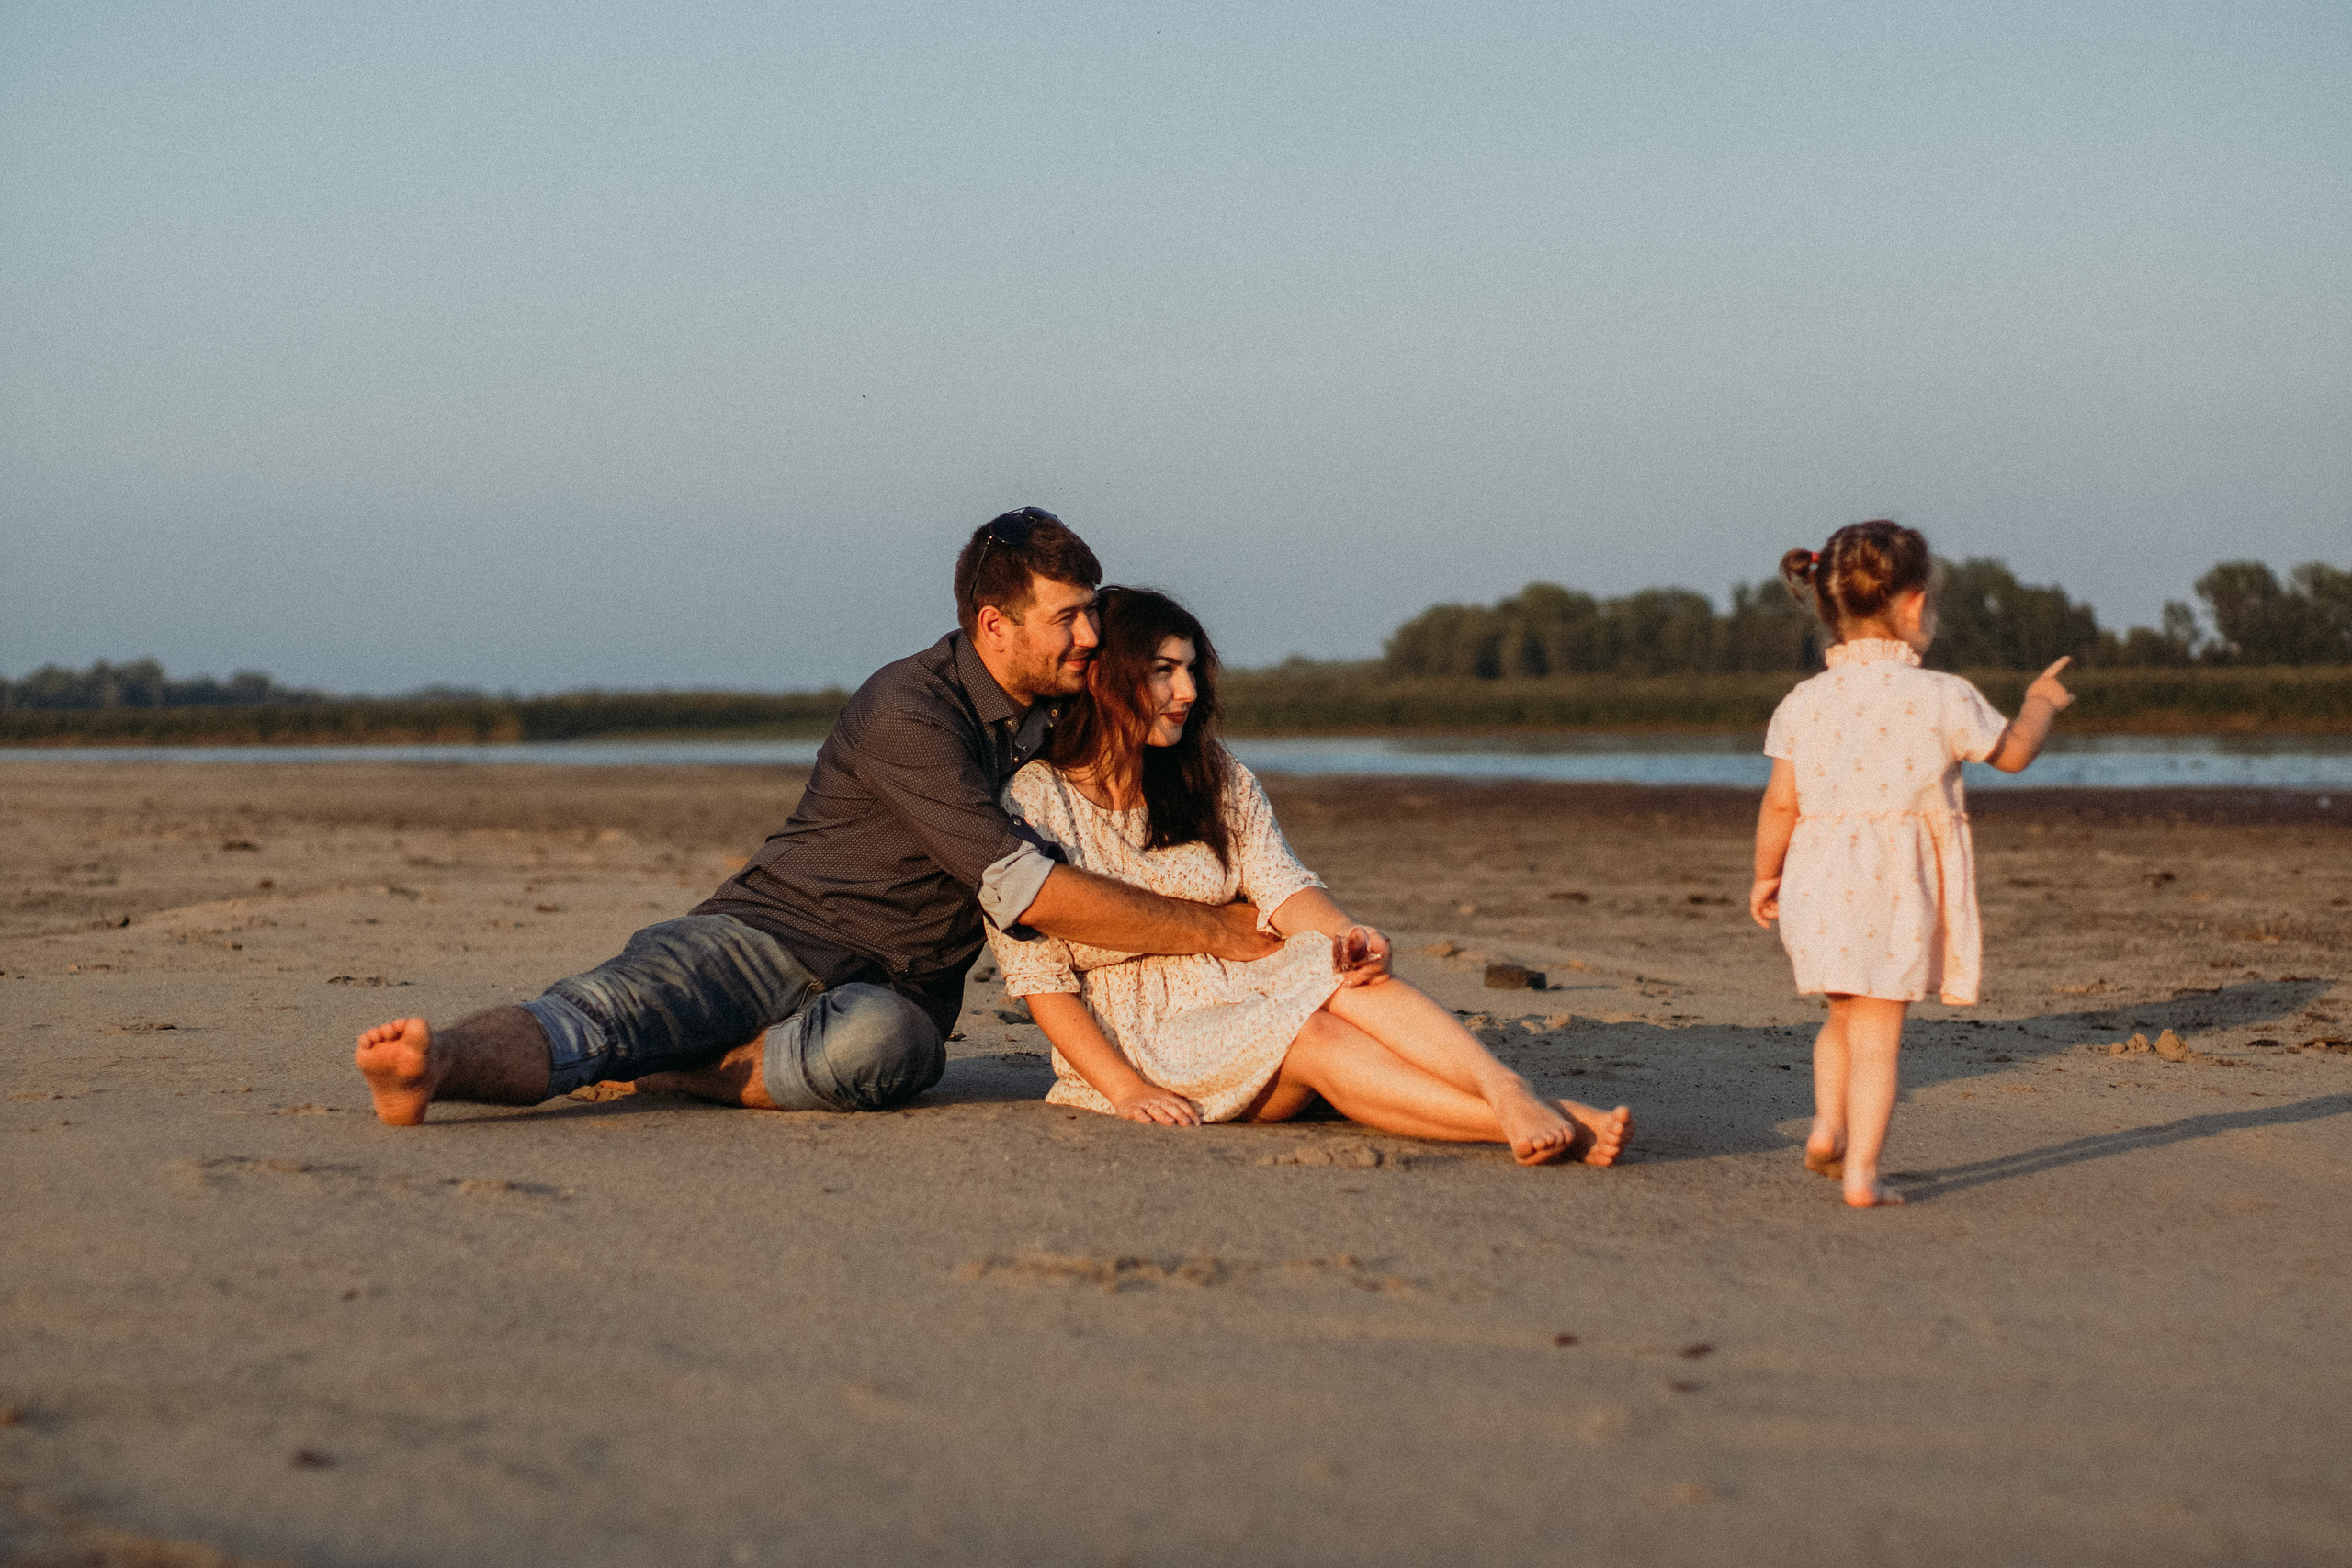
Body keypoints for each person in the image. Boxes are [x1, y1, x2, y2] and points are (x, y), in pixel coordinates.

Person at [353, 509, 1295, 1125]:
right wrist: (1212, 928)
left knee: (892, 1053)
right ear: (992, 624)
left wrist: (1276, 902)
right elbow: (1029, 892)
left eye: (1093, 613)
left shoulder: (1063, 712)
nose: (1091, 637)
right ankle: (437, 1065)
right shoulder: (908, 711)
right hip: (766, 934)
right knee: (599, 1020)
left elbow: (1146, 776)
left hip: (894, 993)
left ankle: (696, 1072)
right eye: (1068, 619)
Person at [986, 586, 1633, 1167]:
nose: (1187, 691)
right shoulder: (1036, 799)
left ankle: (1509, 1088)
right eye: (1162, 672)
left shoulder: (1209, 771)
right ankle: (1541, 1124)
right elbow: (1037, 977)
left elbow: (1281, 881)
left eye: (1189, 670)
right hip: (1140, 1033)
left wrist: (1350, 934)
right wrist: (1125, 1087)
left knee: (1340, 969)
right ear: (1107, 681)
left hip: (1239, 977)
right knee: (1314, 1034)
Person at [1748, 521, 2074, 1207]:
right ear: (1914, 604)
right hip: (1894, 889)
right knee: (1878, 1037)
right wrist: (2041, 703)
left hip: (1819, 882)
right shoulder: (1943, 696)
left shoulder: (1803, 702)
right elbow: (2011, 753)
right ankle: (1863, 1172)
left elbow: (1780, 805)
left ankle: (1826, 1127)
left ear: (1826, 604)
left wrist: (1764, 875)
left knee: (1840, 1016)